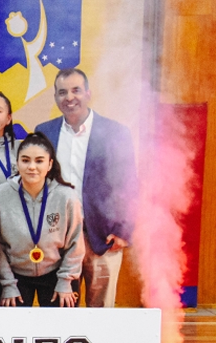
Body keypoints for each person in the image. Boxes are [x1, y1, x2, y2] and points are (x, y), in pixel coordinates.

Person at [35, 68, 138, 307]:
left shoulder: (116, 133)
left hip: (103, 238)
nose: (69, 97)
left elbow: (129, 183)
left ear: (88, 93)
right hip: (58, 237)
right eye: (62, 92)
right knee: (62, 308)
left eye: (75, 90)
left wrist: (125, 230)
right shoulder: (44, 132)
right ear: (56, 98)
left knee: (100, 310)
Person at [0, 133, 85, 308]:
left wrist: (66, 279)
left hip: (56, 272)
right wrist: (7, 283)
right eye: (25, 160)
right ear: (17, 163)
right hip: (14, 275)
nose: (32, 167)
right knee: (14, 330)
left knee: (60, 328)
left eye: (39, 161)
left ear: (49, 164)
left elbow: (75, 241)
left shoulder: (66, 196)